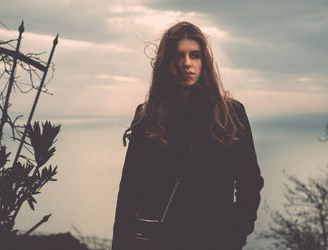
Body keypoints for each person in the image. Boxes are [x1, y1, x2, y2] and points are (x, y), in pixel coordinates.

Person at [111, 21, 264, 250]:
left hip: (215, 240)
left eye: (195, 55)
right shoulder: (148, 116)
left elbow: (249, 182)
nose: (187, 64)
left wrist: (235, 234)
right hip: (162, 242)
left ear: (205, 61)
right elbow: (130, 192)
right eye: (179, 56)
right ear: (167, 62)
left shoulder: (230, 114)